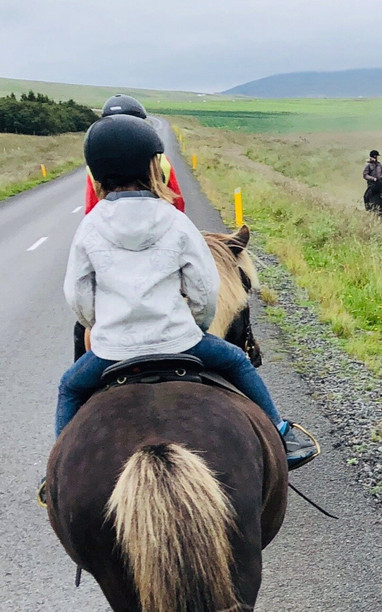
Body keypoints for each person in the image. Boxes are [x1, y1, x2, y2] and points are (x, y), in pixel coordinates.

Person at [54, 114, 317, 471]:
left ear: (97, 175)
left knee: (69, 388)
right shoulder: (176, 221)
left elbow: (78, 296)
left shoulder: (89, 227)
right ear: (152, 167)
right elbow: (205, 289)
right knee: (239, 362)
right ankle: (281, 434)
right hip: (180, 341)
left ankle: (60, 467)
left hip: (113, 350)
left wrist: (100, 325)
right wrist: (194, 324)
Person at [74, 94, 186, 360]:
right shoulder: (162, 163)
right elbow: (178, 205)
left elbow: (91, 209)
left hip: (112, 260)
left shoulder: (95, 170)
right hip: (161, 248)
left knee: (74, 371)